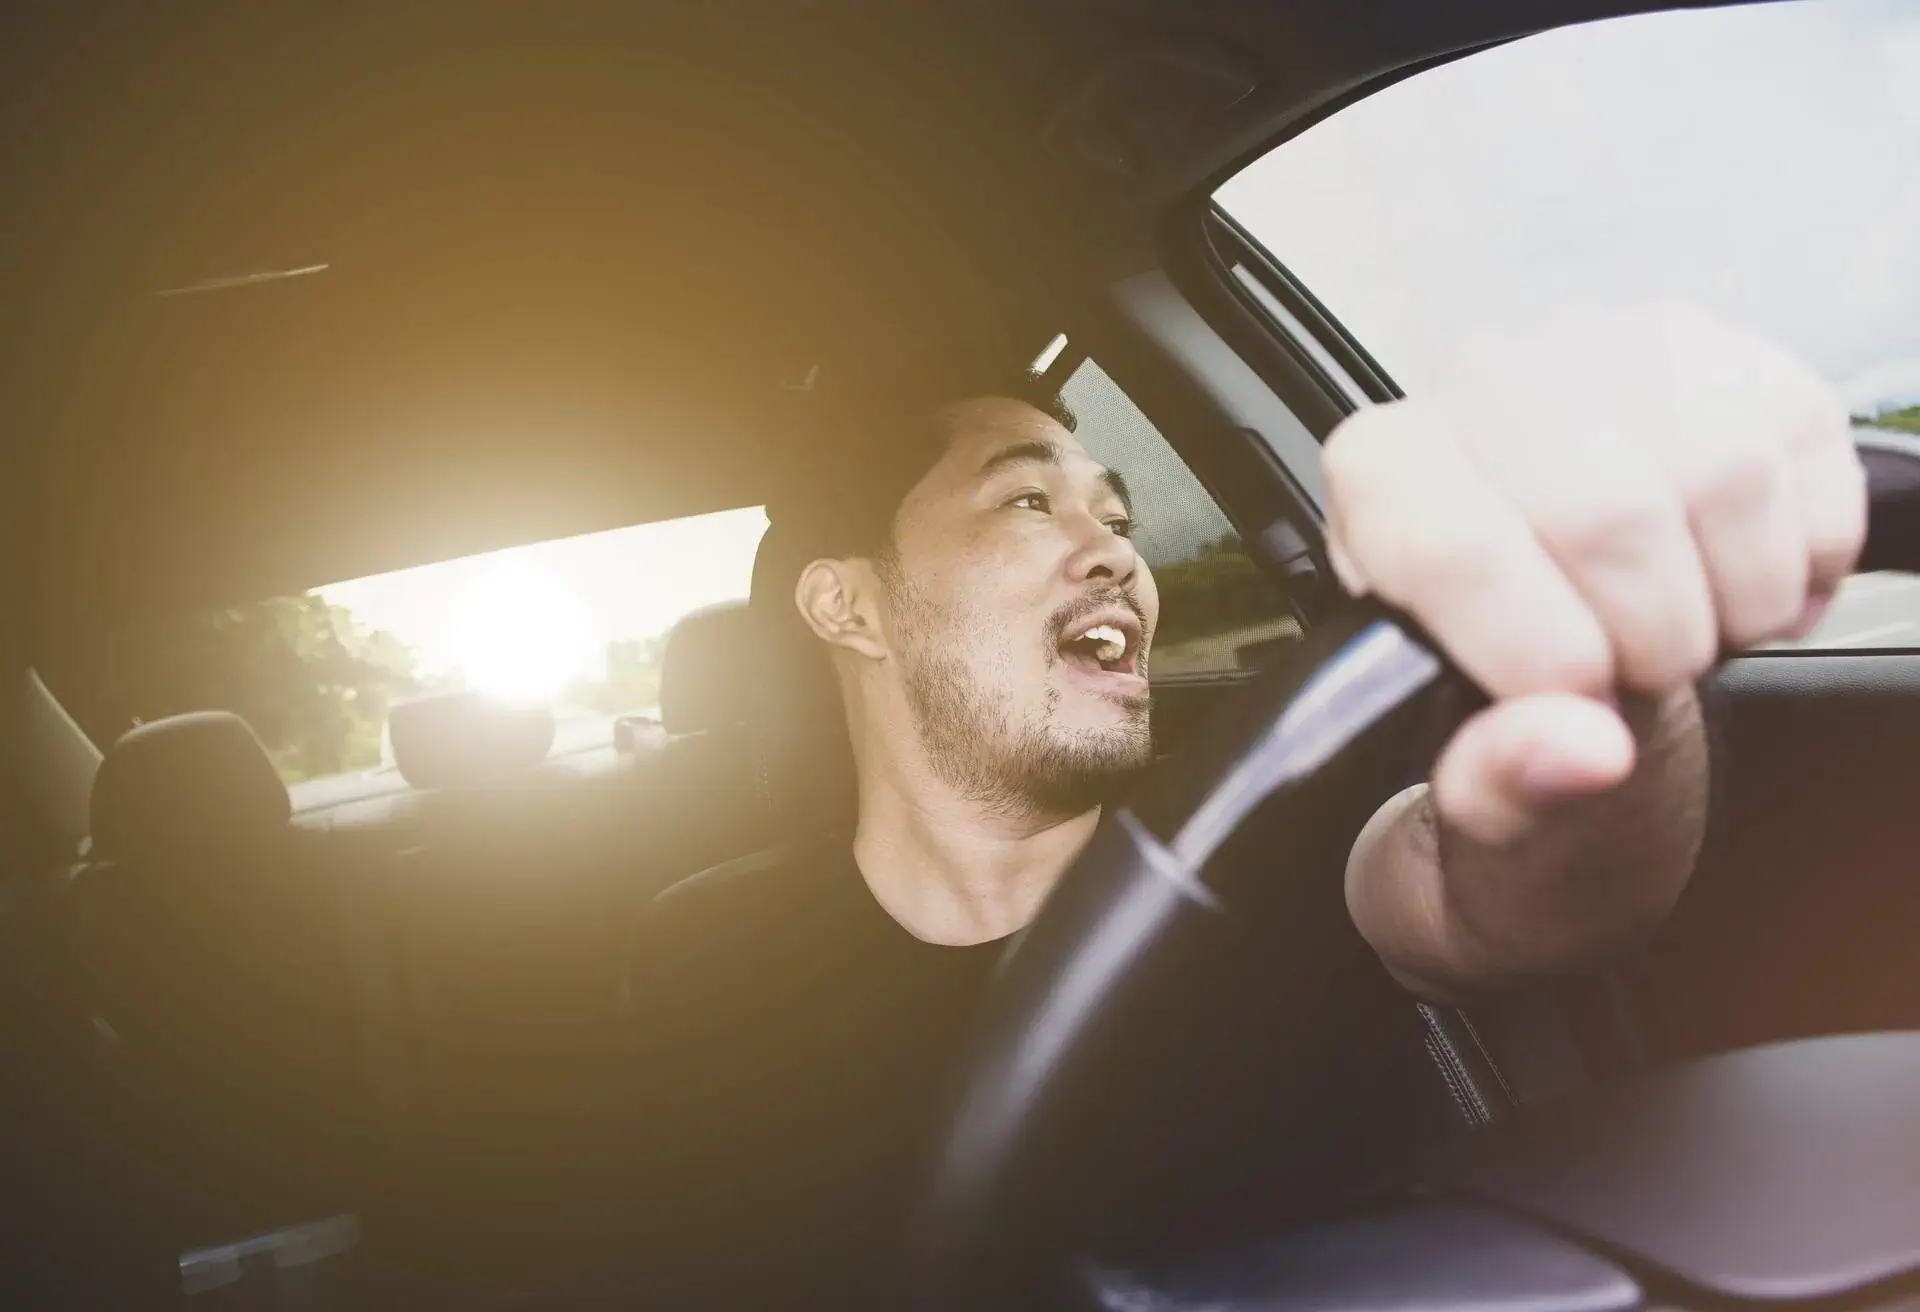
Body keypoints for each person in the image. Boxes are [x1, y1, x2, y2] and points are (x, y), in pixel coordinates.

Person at [616, 303, 1864, 1307]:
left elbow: (1505, 892)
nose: (1118, 551)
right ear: (848, 608)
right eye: (1025, 499)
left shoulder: (1266, 833)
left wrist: (1609, 671)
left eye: (1117, 513)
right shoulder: (701, 962)